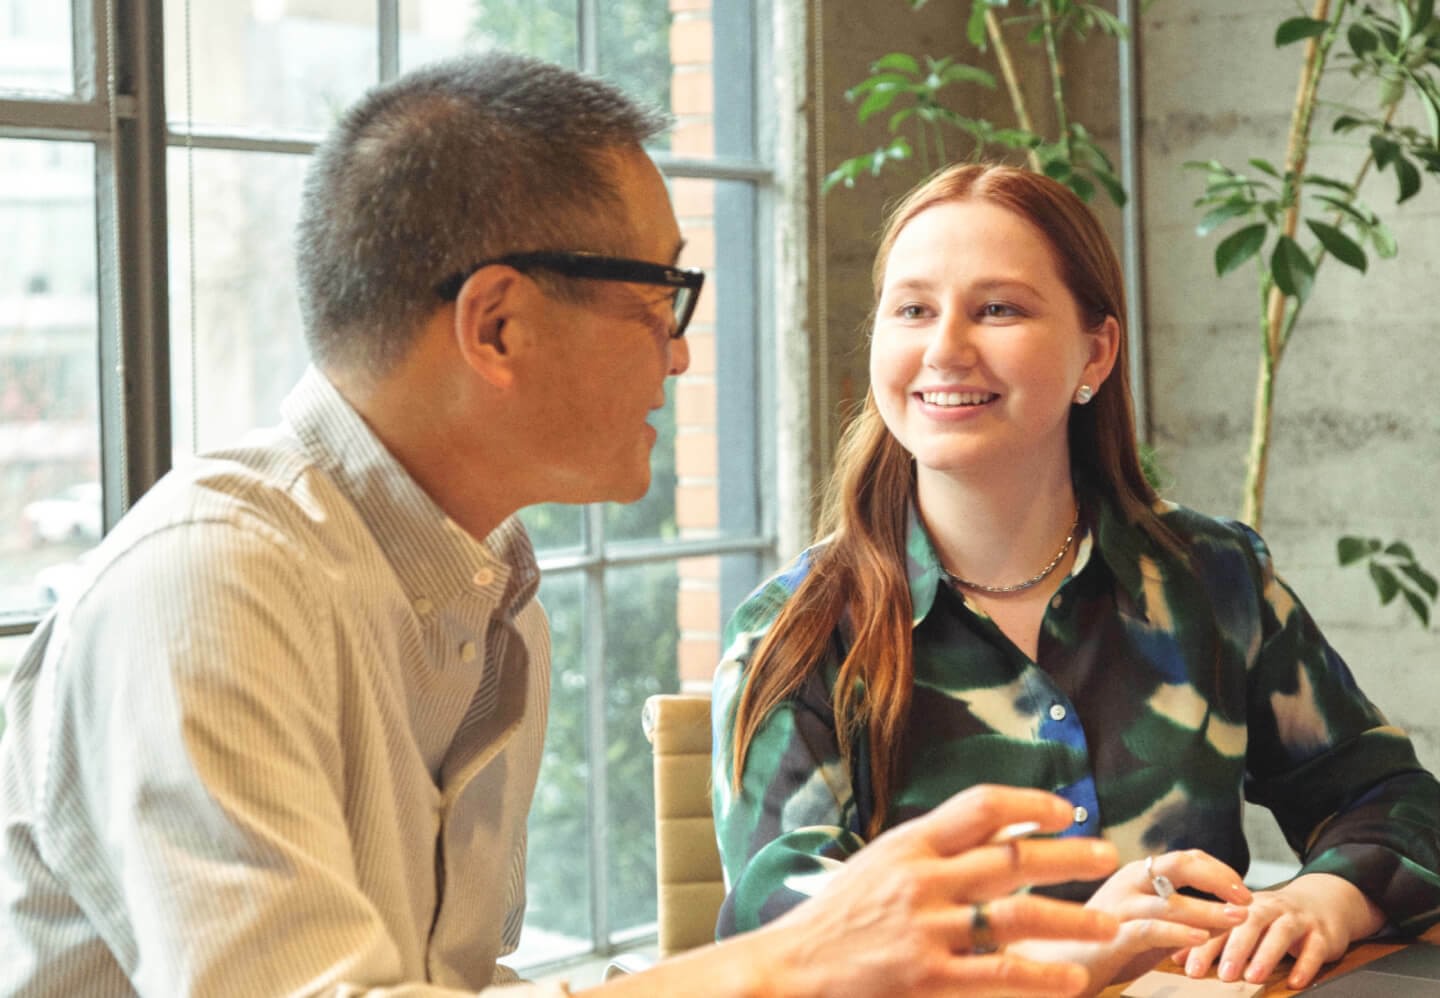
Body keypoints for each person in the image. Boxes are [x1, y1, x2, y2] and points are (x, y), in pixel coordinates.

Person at [0, 55, 1127, 997]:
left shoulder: (493, 600)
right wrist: (784, 959)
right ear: (496, 323)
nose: (680, 350)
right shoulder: (207, 587)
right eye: (660, 298)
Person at [711, 161, 1440, 995]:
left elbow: (1393, 798)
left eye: (997, 309)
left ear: (1095, 351)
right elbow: (789, 935)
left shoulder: (1216, 581)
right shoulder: (796, 634)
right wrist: (1066, 957)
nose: (945, 347)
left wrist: (1325, 898)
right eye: (913, 309)